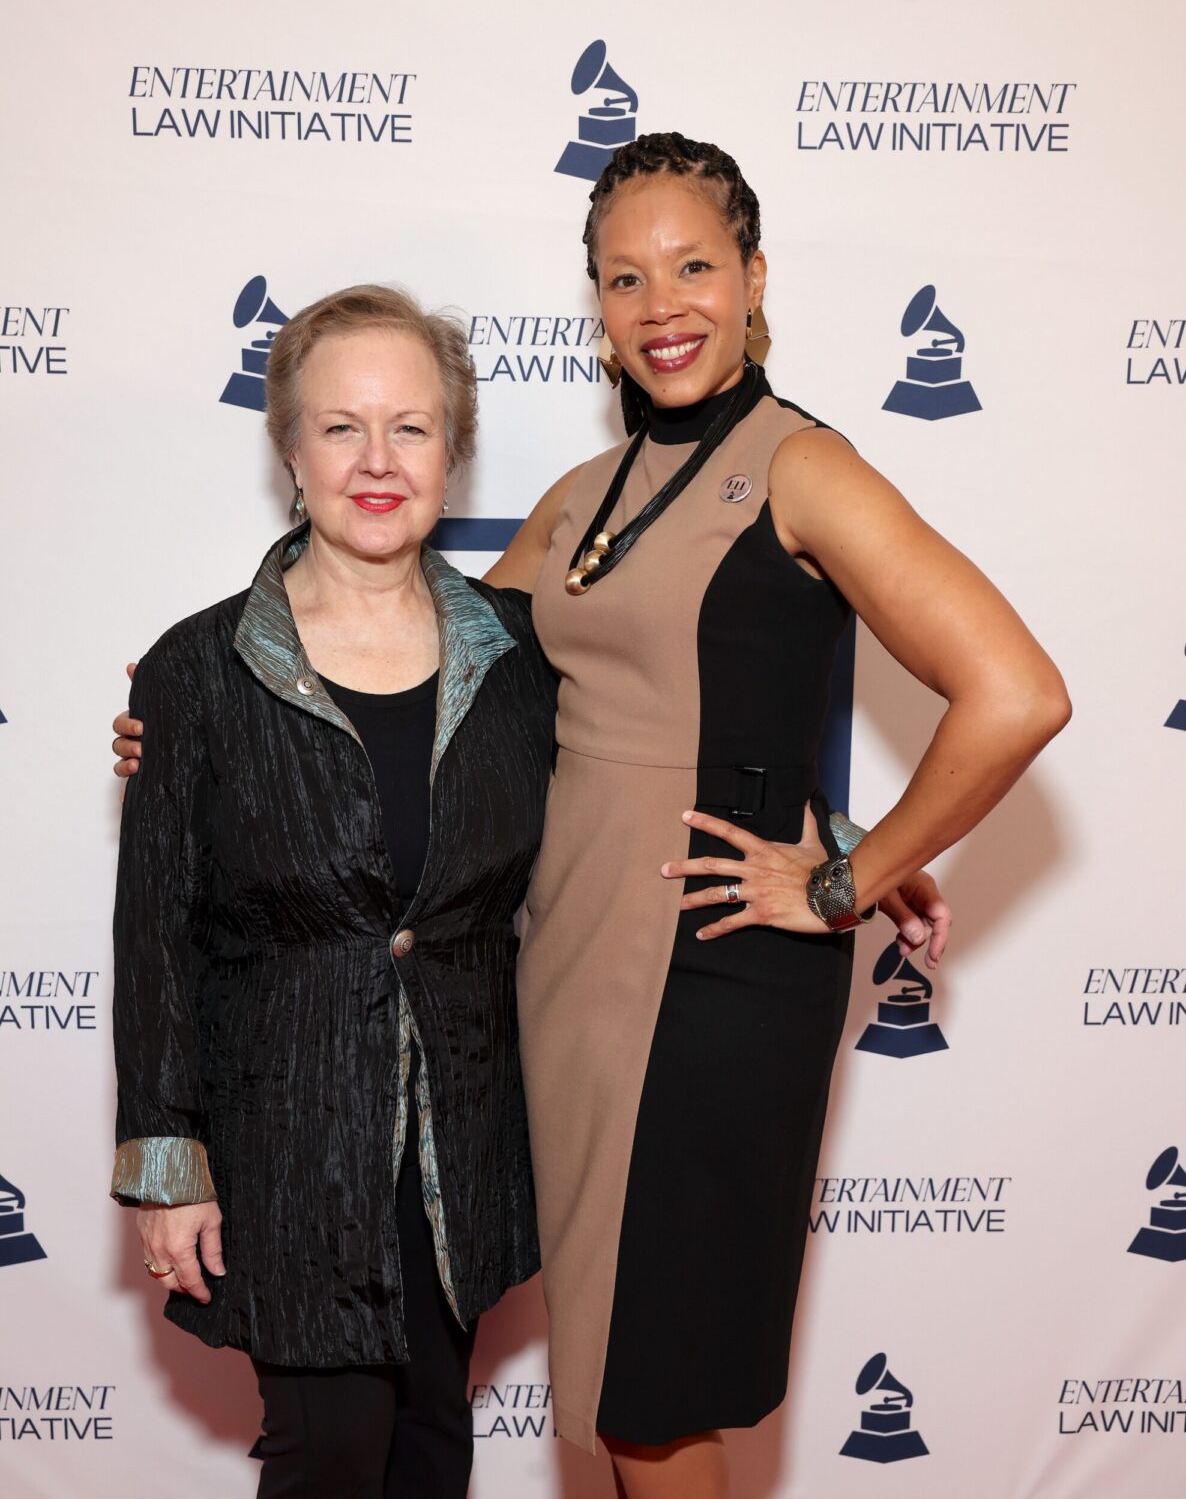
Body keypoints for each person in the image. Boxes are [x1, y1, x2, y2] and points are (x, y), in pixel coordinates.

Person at [476, 132, 1070, 1499]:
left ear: (752, 278)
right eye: (623, 279)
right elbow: (429, 662)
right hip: (574, 973)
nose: (660, 303)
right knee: (628, 1387)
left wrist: (846, 875)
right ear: (597, 310)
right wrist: (215, 691)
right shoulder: (587, 499)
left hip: (707, 974)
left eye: (693, 265)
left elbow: (1015, 692)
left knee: (656, 1391)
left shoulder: (802, 467)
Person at [109, 284, 557, 1499]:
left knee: (430, 1453)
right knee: (329, 1460)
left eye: (410, 427)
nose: (376, 461)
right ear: (288, 449)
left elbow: (653, 770)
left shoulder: (520, 660)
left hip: (461, 1140)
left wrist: (850, 853)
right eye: (340, 426)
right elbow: (153, 930)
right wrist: (167, 1161)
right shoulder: (198, 669)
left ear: (451, 451)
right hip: (286, 1140)